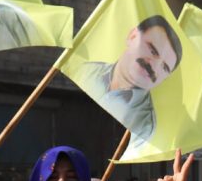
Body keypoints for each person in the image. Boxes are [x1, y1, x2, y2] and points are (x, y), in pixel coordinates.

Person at [76, 16, 183, 145]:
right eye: (153, 50)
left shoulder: (145, 126)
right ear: (132, 36)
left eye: (164, 67)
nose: (154, 66)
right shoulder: (84, 72)